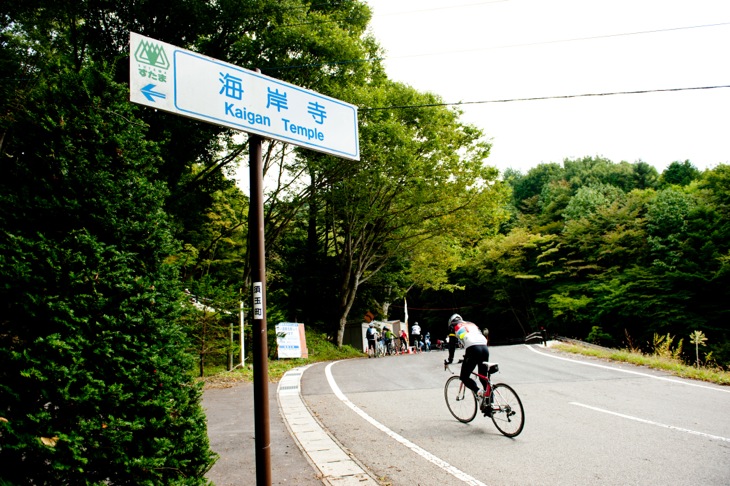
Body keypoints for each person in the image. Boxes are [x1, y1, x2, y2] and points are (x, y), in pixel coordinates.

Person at [445, 314, 490, 414]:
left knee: (464, 377)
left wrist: (450, 359)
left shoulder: (454, 326)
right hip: (484, 347)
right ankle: (490, 403)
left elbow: (452, 345)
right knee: (483, 377)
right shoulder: (471, 323)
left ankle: (479, 392)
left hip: (473, 349)